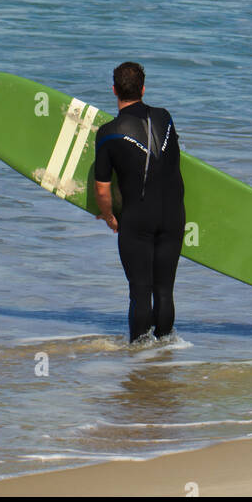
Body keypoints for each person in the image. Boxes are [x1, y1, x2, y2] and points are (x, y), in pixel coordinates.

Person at [94, 61, 185, 342]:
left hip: (137, 219)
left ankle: (139, 356)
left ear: (114, 90)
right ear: (143, 89)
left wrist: (109, 216)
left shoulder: (108, 132)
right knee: (165, 290)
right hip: (173, 216)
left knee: (140, 292)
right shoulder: (165, 117)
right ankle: (167, 351)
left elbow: (102, 189)